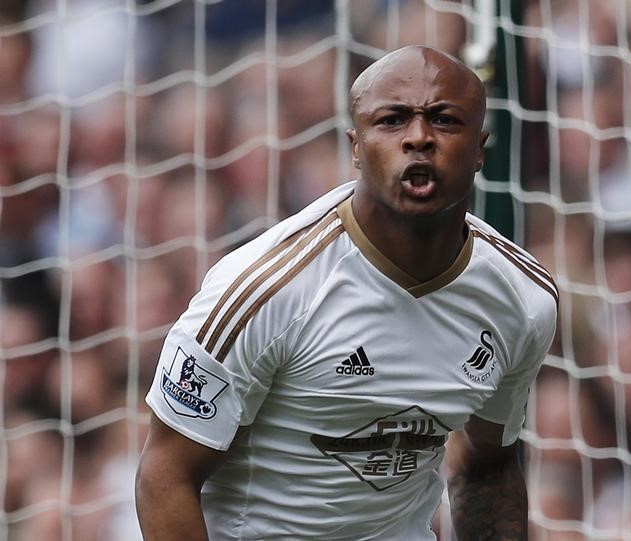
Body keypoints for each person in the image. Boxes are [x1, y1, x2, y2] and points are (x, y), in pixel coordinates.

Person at [135, 45, 558, 540]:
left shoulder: (524, 299)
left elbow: (488, 465)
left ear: (481, 147)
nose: (418, 137)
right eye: (393, 120)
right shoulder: (264, 287)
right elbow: (164, 478)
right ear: (356, 147)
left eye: (444, 121)